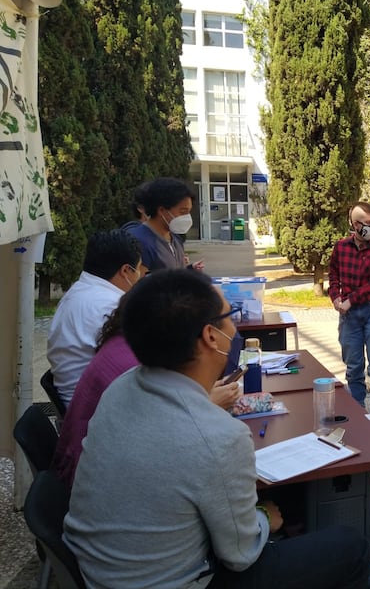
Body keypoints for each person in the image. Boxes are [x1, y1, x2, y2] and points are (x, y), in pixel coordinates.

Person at [63, 269, 370, 589]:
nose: (235, 326)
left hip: (97, 571)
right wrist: (266, 517)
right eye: (230, 315)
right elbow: (241, 553)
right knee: (351, 546)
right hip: (173, 581)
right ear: (211, 336)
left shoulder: (120, 388)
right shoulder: (219, 437)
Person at [51, 293, 242, 487]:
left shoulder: (126, 345)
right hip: (98, 481)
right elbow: (165, 433)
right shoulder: (134, 365)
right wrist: (207, 404)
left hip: (92, 469)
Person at [47, 229, 144, 407]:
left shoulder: (79, 292)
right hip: (92, 411)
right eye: (138, 269)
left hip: (81, 399)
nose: (140, 276)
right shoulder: (110, 306)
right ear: (125, 270)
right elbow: (140, 365)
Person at [328, 201, 370, 429]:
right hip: (349, 315)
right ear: (355, 225)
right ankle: (357, 415)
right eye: (367, 224)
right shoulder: (341, 248)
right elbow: (333, 274)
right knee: (353, 367)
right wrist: (335, 296)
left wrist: (350, 300)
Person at [129, 177, 205, 272]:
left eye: (189, 212)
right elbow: (138, 284)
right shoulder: (138, 242)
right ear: (162, 210)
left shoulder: (175, 239)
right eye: (182, 212)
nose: (187, 217)